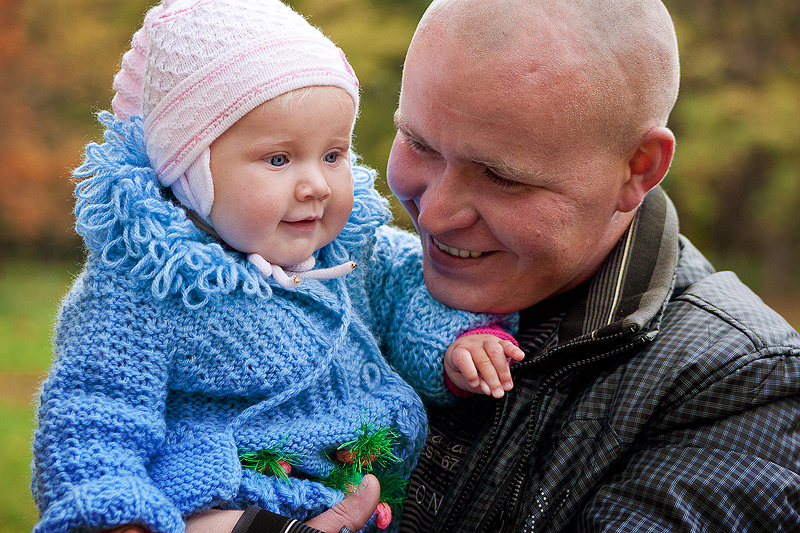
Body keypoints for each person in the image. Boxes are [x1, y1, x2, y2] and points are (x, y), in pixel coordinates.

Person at [28, 1, 522, 533]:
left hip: (362, 495)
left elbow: (410, 285)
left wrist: (455, 344)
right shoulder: (146, 283)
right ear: (190, 169)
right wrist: (116, 517)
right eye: (279, 160)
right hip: (231, 496)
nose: (317, 185)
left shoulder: (349, 249)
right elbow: (94, 413)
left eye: (332, 155)